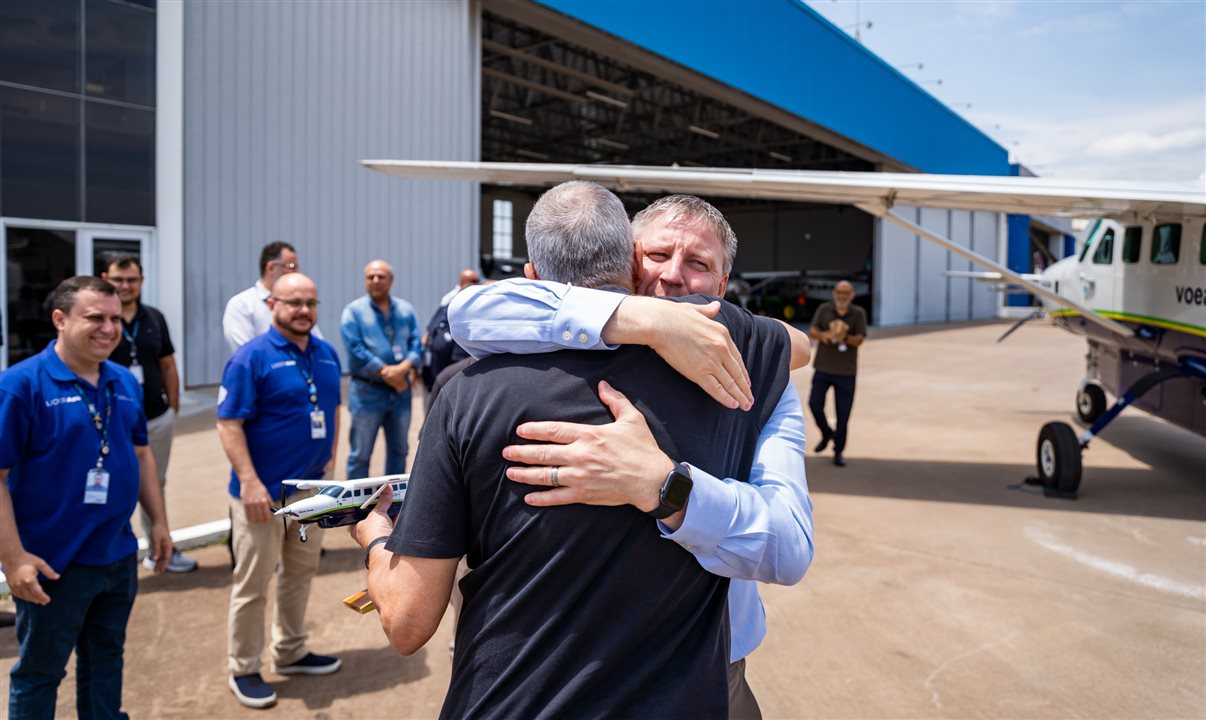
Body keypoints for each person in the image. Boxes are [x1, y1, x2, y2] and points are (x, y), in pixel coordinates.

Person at [353, 181, 792, 718]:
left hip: (509, 697)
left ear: (533, 276)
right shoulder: (738, 369)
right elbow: (799, 344)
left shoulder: (465, 392)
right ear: (630, 266)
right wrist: (645, 319)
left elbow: (408, 621)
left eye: (696, 264)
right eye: (656, 255)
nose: (672, 277)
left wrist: (374, 534)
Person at [0, 276, 173, 718]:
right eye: (94, 317)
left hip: (116, 557)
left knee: (105, 661)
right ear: (60, 319)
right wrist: (14, 559)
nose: (109, 329)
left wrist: (158, 522)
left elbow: (142, 455)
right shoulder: (20, 386)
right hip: (53, 565)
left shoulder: (123, 380)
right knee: (40, 673)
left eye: (115, 318)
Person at [216, 273, 342, 709]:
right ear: (272, 305)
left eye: (310, 302)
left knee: (299, 574)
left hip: (310, 493)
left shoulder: (326, 355)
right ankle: (244, 667)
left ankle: (290, 650)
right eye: (294, 303)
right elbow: (228, 423)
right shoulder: (250, 358)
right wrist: (249, 482)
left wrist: (330, 464)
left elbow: (333, 409)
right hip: (261, 495)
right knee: (253, 583)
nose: (303, 311)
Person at [102, 254, 197, 573]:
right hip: (109, 422)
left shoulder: (154, 318)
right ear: (106, 279)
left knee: (154, 483)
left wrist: (172, 407)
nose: (125, 286)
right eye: (118, 280)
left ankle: (159, 549)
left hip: (155, 417)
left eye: (131, 280)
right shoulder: (102, 320)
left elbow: (167, 363)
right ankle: (112, 554)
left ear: (141, 282)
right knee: (109, 483)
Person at [339, 260, 422, 478]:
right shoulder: (353, 312)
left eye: (381, 276)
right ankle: (356, 510)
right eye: (371, 277)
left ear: (391, 280)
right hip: (367, 392)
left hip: (400, 393)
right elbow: (355, 348)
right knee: (360, 454)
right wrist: (388, 373)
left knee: (400, 451)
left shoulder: (406, 310)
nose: (376, 281)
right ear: (365, 281)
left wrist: (403, 367)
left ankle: (392, 505)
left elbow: (416, 344)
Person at [222, 241, 322, 353]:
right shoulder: (242, 305)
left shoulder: (303, 310)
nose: (296, 273)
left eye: (311, 304)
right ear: (271, 268)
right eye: (291, 266)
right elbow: (246, 353)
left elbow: (316, 346)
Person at [807, 280, 867, 467]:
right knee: (814, 404)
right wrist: (823, 335)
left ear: (851, 295)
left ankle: (838, 451)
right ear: (834, 293)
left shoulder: (858, 313)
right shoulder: (824, 309)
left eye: (846, 293)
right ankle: (826, 433)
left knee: (843, 414)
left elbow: (860, 339)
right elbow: (812, 330)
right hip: (823, 367)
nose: (842, 296)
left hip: (846, 371)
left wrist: (846, 338)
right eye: (839, 292)